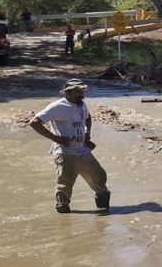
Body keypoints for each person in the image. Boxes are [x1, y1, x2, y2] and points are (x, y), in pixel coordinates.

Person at [29, 79, 111, 213]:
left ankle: (104, 213)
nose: (82, 94)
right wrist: (56, 138)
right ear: (68, 92)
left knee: (100, 176)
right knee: (64, 187)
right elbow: (34, 123)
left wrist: (87, 134)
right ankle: (64, 221)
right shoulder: (57, 107)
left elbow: (88, 117)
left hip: (83, 150)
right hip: (65, 152)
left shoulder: (81, 105)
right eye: (78, 91)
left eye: (82, 91)